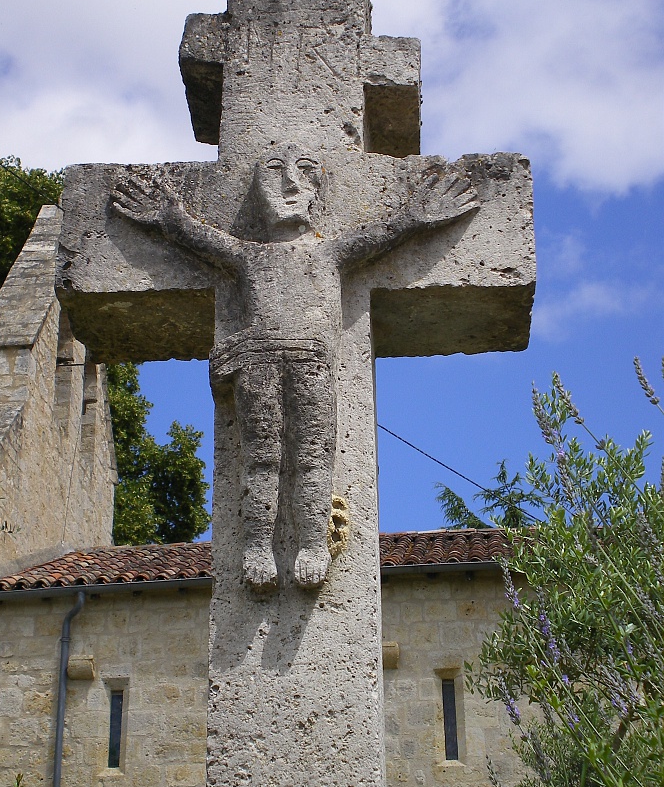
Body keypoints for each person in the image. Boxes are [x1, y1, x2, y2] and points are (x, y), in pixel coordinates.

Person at [113, 144, 477, 589]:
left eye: (305, 172)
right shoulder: (248, 255)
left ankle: (312, 544)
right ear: (258, 190)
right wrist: (168, 216)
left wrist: (417, 216)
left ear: (317, 192)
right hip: (259, 361)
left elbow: (385, 234)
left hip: (311, 362)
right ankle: (256, 548)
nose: (290, 184)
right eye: (274, 172)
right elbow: (202, 239)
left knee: (313, 457)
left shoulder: (330, 252)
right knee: (262, 459)